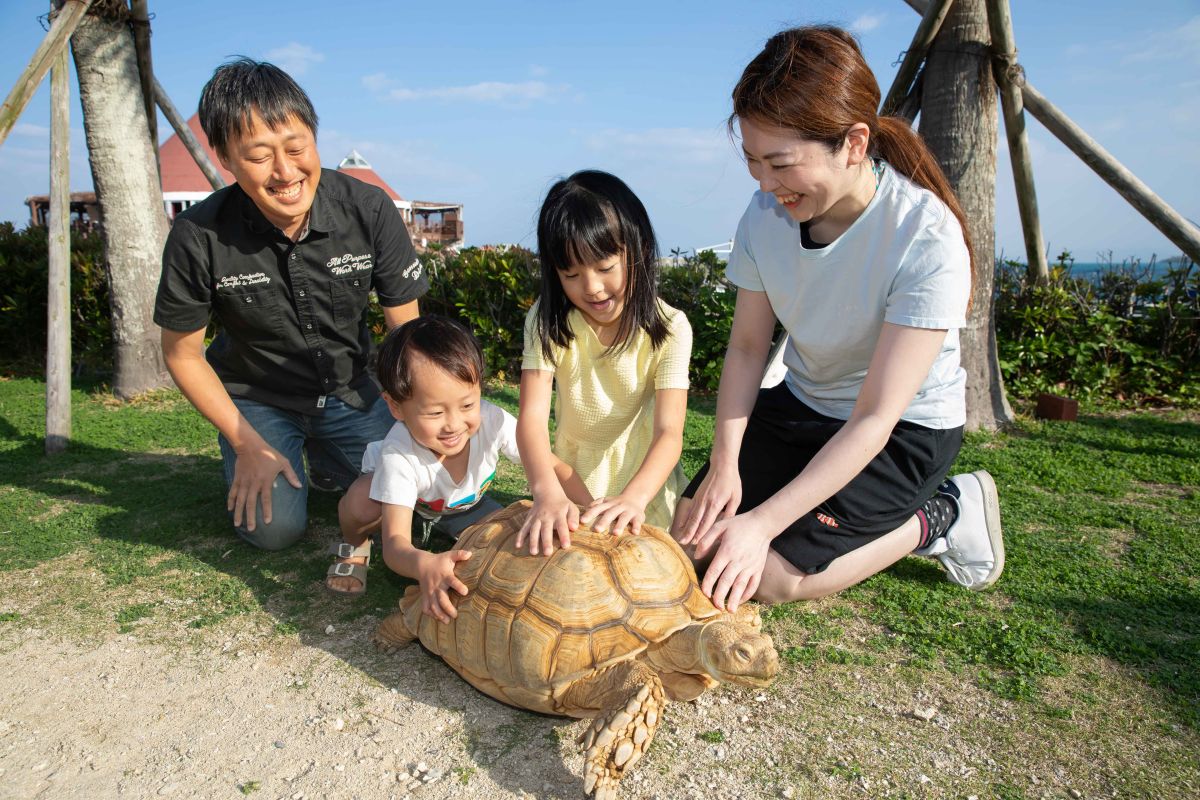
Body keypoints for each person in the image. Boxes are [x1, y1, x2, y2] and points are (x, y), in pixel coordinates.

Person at [673, 26, 1004, 613]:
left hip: (903, 430)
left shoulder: (924, 237)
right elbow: (748, 348)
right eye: (752, 161)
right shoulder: (764, 216)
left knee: (768, 578)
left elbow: (877, 415)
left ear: (853, 143)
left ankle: (943, 514)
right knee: (692, 541)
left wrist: (762, 524)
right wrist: (725, 464)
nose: (765, 185)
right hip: (805, 403)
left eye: (780, 163)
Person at [154, 58, 427, 565]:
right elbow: (182, 354)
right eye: (259, 156)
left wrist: (424, 416)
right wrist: (246, 443)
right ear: (225, 158)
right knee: (276, 530)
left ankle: (324, 457)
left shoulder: (368, 208)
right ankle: (275, 454)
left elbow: (406, 332)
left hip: (351, 390)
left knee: (416, 502)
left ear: (314, 139)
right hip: (258, 399)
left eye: (297, 148)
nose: (285, 172)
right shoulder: (197, 235)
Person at [335, 316, 587, 614]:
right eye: (434, 413)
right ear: (395, 407)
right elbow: (395, 545)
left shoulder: (493, 421)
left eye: (467, 405)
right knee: (361, 503)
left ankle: (447, 529)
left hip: (464, 506)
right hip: (398, 503)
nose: (453, 424)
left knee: (513, 542)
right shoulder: (398, 455)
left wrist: (590, 508)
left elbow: (555, 467)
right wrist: (422, 563)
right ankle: (355, 547)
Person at [516, 170, 693, 555]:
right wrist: (546, 493)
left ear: (639, 249)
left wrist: (634, 499)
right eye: (571, 274)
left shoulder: (670, 328)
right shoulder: (546, 322)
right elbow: (531, 420)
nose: (592, 288)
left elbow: (669, 432)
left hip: (644, 490)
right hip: (567, 486)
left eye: (605, 268)